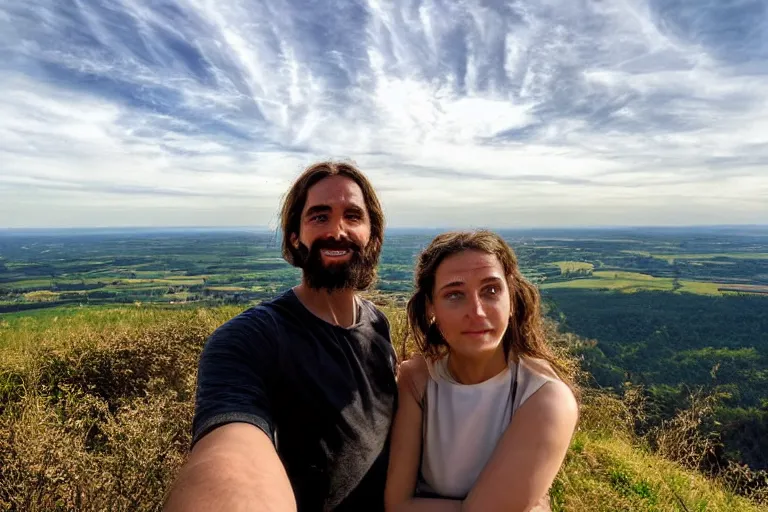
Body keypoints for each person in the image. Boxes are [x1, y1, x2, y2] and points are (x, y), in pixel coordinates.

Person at [164, 161, 398, 512]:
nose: (338, 230)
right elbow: (233, 451)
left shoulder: (378, 324)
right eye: (319, 216)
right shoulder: (250, 338)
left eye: (353, 216)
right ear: (294, 236)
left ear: (372, 235)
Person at [385, 230, 579, 512]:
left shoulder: (545, 398)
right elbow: (397, 505)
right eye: (454, 294)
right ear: (431, 308)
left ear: (511, 298)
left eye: (490, 290)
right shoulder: (416, 380)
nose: (476, 311)